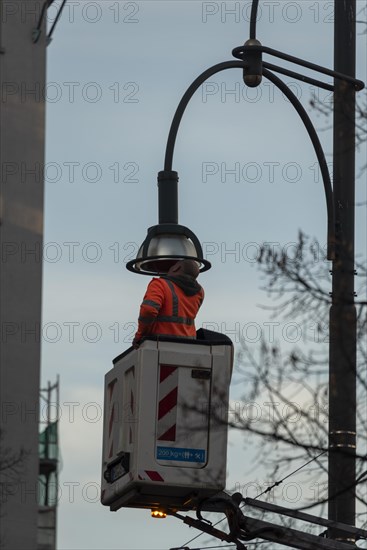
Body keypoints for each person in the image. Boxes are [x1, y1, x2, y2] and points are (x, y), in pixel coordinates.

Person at [132, 259, 204, 348]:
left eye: (172, 266)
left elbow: (148, 310)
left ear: (177, 268)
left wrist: (140, 335)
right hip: (189, 346)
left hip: (159, 344)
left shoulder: (159, 284)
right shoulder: (200, 292)